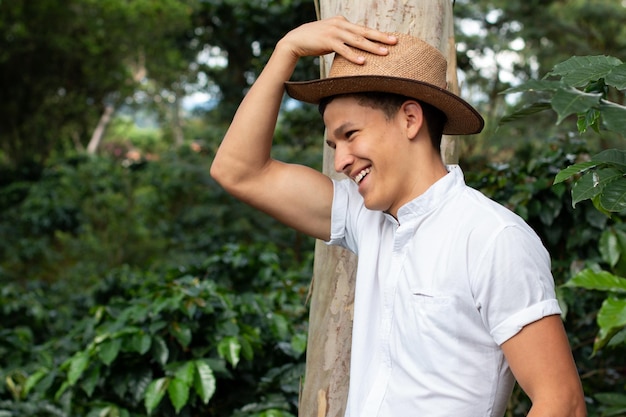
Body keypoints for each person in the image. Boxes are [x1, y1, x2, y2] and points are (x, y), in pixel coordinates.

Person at [210, 16, 586, 417]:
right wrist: (287, 49)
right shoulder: (364, 217)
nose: (339, 161)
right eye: (333, 143)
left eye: (350, 135)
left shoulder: (492, 237)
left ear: (410, 119)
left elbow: (561, 402)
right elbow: (238, 170)